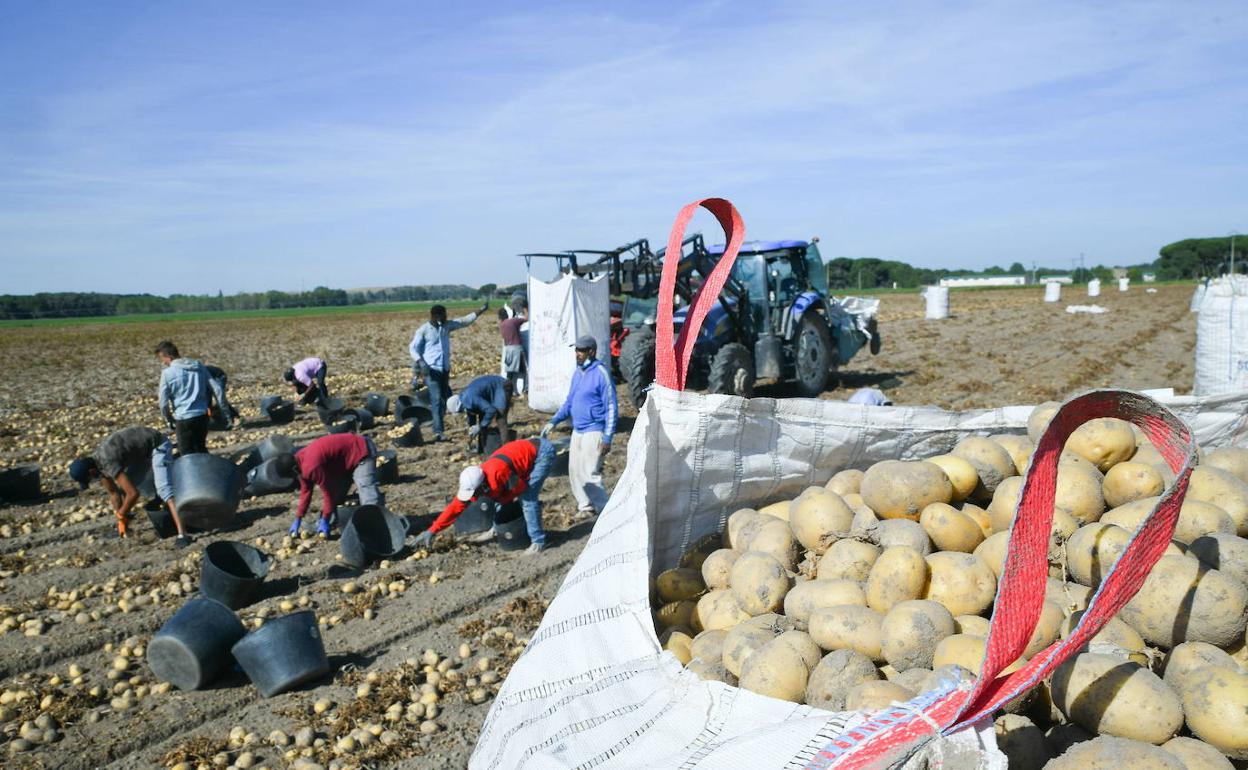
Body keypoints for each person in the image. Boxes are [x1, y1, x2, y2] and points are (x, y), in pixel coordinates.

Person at [412, 437, 556, 554]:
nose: (472, 497)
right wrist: (432, 530)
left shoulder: (499, 473)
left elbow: (520, 487)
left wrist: (501, 498)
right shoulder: (477, 480)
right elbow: (455, 508)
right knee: (498, 498)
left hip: (541, 453)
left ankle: (538, 541)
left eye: (474, 493)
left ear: (482, 485)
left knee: (528, 499)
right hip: (522, 454)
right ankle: (496, 529)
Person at [68, 426, 190, 546]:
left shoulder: (107, 462)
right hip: (141, 454)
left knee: (165, 490)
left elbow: (133, 494)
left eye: (89, 480)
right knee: (124, 489)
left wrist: (122, 513)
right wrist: (121, 522)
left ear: (91, 472)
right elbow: (113, 493)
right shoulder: (97, 465)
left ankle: (183, 535)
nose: (93, 481)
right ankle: (125, 530)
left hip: (157, 444)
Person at [542, 334, 617, 517]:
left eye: (581, 351)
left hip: (594, 430)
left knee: (590, 472)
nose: (577, 354)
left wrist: (607, 437)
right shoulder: (578, 373)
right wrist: (554, 421)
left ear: (591, 351)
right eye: (576, 350)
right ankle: (585, 507)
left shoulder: (601, 373)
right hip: (578, 430)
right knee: (575, 471)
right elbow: (570, 402)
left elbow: (611, 406)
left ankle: (605, 512)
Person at [274, 433, 381, 539]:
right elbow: (306, 491)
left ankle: (375, 527)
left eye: (292, 476)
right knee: (337, 496)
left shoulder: (312, 466)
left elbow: (329, 493)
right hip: (345, 459)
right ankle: (329, 522)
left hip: (362, 450)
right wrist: (298, 517)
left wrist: (325, 518)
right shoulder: (299, 461)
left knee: (367, 491)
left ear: (294, 470)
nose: (294, 478)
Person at [409, 301, 488, 441]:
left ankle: (440, 422)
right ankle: (438, 431)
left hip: (444, 369)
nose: (445, 318)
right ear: (435, 316)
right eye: (442, 316)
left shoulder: (446, 326)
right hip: (431, 370)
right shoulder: (423, 330)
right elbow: (413, 348)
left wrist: (480, 310)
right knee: (437, 400)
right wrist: (421, 363)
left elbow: (464, 321)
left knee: (445, 398)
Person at [155, 340, 212, 455]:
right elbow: (215, 388)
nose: (163, 362)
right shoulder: (198, 366)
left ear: (168, 357)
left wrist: (169, 419)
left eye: (162, 359)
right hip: (202, 415)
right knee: (201, 448)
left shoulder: (167, 373)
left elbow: (163, 403)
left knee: (186, 452)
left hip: (183, 418)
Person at [447, 374, 511, 454]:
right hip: (492, 390)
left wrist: (480, 426)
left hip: (502, 386)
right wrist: (472, 429)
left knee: (501, 419)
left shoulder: (470, 398)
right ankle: (482, 449)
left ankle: (508, 451)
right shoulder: (465, 400)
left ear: (459, 407)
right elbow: (471, 415)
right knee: (483, 421)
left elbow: (491, 410)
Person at [498, 307, 527, 396]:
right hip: (516, 349)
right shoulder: (513, 321)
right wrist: (526, 309)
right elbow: (526, 319)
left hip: (508, 350)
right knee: (523, 371)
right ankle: (525, 389)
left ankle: (510, 391)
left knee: (510, 373)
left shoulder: (502, 325)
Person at [204, 364, 238, 430]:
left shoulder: (199, 373)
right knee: (207, 400)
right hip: (210, 378)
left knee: (219, 400)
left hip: (219, 376)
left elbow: (219, 394)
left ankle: (232, 418)